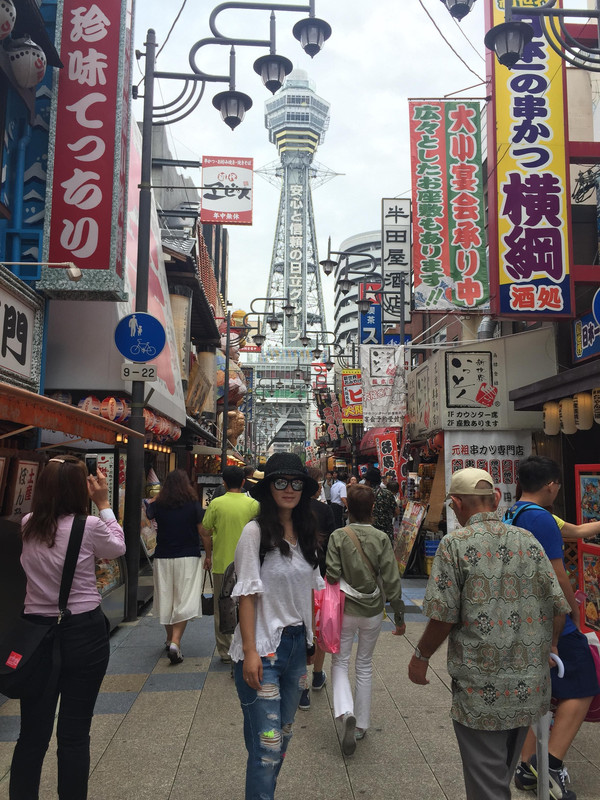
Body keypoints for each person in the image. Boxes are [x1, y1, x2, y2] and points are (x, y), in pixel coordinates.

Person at [408, 467, 570, 800]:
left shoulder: (455, 545)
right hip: (529, 685)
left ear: (456, 503)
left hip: (481, 690)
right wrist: (552, 646)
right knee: (500, 775)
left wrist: (421, 656)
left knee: (488, 786)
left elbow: (443, 616)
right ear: (495, 499)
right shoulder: (527, 540)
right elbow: (558, 605)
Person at [10, 455, 126, 800]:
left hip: (35, 633)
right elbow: (118, 547)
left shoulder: (28, 524)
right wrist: (103, 504)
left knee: (32, 734)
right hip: (83, 632)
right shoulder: (88, 526)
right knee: (74, 734)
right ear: (79, 490)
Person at [230, 453, 324, 800]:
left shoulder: (306, 534)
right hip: (264, 648)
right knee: (268, 746)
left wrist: (312, 641)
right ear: (269, 487)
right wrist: (251, 652)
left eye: (296, 483)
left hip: (296, 648)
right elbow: (247, 596)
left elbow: (310, 593)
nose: (289, 489)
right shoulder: (254, 533)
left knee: (280, 737)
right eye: (281, 482)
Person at [507, 456, 600, 799]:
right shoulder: (541, 519)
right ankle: (553, 765)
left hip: (525, 615)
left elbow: (575, 531)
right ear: (550, 485)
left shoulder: (515, 512)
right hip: (550, 619)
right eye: (558, 484)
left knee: (543, 694)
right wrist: (574, 612)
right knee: (584, 683)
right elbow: (557, 575)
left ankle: (527, 766)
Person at [326, 483, 406, 755]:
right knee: (364, 665)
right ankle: (360, 724)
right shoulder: (382, 538)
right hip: (372, 611)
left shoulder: (338, 536)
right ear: (372, 507)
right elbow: (392, 580)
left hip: (345, 610)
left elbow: (332, 574)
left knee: (340, 661)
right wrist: (399, 616)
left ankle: (345, 711)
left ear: (347, 506)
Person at [199, 465, 259, 663]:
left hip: (222, 563)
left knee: (223, 607)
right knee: (248, 604)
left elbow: (205, 531)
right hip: (248, 563)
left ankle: (225, 651)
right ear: (243, 482)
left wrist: (208, 555)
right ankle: (248, 645)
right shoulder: (253, 504)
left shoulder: (216, 504)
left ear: (223, 483)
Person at [145, 469, 204, 665]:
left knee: (166, 598)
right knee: (184, 598)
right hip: (188, 555)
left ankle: (170, 638)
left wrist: (155, 498)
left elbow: (148, 512)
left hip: (163, 556)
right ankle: (175, 642)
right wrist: (209, 553)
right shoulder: (193, 504)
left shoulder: (160, 504)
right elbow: (202, 530)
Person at [298, 466, 335, 710]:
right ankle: (318, 673)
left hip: (296, 578)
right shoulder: (325, 510)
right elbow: (333, 543)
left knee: (300, 627)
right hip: (320, 575)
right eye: (319, 482)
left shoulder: (292, 509)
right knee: (318, 627)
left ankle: (301, 687)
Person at [364, 467, 397, 542]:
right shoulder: (388, 493)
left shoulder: (364, 494)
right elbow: (396, 512)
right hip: (386, 533)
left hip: (370, 534)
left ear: (368, 481)